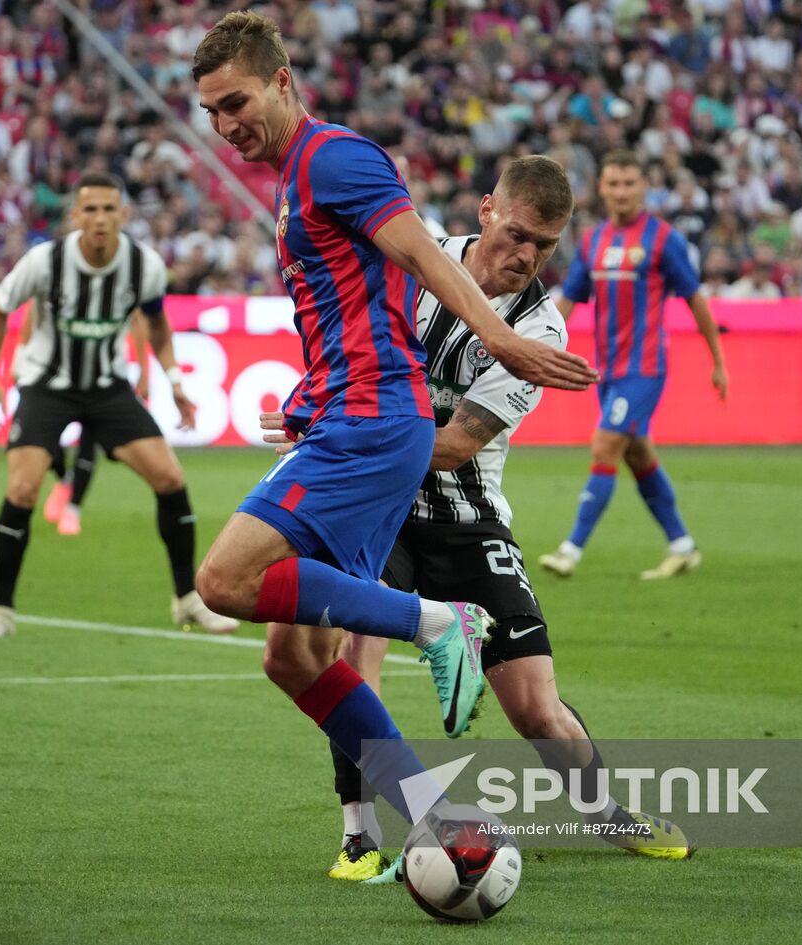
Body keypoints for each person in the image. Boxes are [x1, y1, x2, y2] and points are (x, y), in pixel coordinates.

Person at [190, 12, 598, 830]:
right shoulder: (294, 178)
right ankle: (434, 823)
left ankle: (442, 620)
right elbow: (359, 303)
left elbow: (416, 252)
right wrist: (307, 403)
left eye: (236, 102)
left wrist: (500, 338)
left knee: (223, 582)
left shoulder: (335, 157)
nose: (226, 125)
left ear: (280, 81)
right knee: (294, 654)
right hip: (359, 413)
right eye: (211, 113)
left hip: (376, 420)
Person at [259, 156, 693, 881]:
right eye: (519, 233)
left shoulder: (540, 331)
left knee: (535, 709)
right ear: (488, 209)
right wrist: (329, 416)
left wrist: (347, 433)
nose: (527, 255)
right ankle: (359, 835)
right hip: (382, 510)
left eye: (547, 246)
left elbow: (458, 443)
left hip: (468, 521)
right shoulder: (416, 263)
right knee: (350, 656)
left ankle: (606, 810)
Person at [0, 171, 237, 639]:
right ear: (75, 216)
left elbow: (156, 324)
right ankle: (0, 611)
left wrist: (174, 381)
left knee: (170, 477)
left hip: (108, 386)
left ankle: (187, 600)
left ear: (124, 215)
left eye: (108, 209)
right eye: (89, 209)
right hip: (47, 385)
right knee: (23, 489)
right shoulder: (45, 260)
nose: (99, 218)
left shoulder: (144, 265)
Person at [539, 149, 728, 581]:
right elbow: (567, 298)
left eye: (629, 183)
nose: (621, 192)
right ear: (601, 188)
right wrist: (531, 341)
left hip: (645, 368)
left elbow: (696, 299)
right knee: (638, 454)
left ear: (644, 186)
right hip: (606, 371)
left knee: (605, 446)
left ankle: (571, 550)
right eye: (613, 184)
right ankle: (682, 545)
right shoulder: (592, 241)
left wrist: (718, 360)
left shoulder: (664, 239)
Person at [39, 296, 150, 537]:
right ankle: (64, 479)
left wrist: (144, 371)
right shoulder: (61, 277)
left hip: (103, 380)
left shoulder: (121, 281)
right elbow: (36, 315)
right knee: (45, 438)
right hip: (60, 375)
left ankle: (73, 509)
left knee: (88, 445)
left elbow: (138, 320)